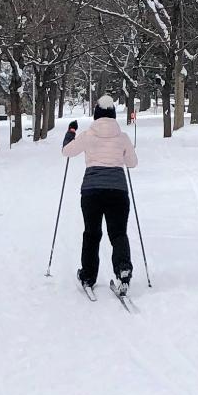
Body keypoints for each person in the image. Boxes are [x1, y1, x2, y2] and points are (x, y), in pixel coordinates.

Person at [62, 95, 138, 294]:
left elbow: (67, 152)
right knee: (118, 233)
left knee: (92, 234)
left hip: (92, 191)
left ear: (96, 115)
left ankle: (88, 275)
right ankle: (123, 269)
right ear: (113, 116)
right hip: (118, 191)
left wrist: (70, 133)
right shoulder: (122, 137)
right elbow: (132, 163)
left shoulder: (88, 135)